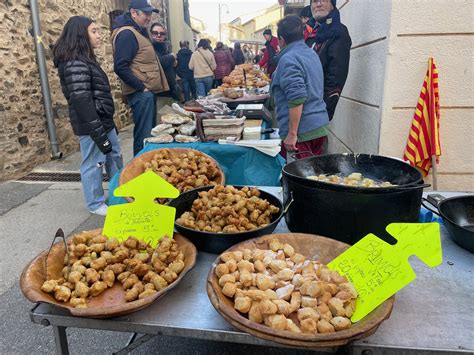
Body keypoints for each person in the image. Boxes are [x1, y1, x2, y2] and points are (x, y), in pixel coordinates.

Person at [52, 16, 123, 216]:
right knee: (94, 162)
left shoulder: (85, 59)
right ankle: (95, 203)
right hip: (90, 124)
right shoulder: (74, 62)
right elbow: (82, 101)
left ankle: (119, 194)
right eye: (94, 31)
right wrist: (98, 132)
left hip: (103, 121)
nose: (99, 35)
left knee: (114, 157)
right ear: (81, 35)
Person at [111, 0, 169, 156]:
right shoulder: (126, 34)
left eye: (150, 14)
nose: (149, 18)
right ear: (134, 13)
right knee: (144, 137)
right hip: (141, 94)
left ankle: (146, 170)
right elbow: (120, 67)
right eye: (146, 14)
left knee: (148, 136)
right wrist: (141, 87)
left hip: (145, 94)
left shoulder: (136, 31)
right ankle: (140, 174)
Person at [271, 15, 329, 159]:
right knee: (314, 177)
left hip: (302, 134)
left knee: (298, 179)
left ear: (281, 40)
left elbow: (297, 97)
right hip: (318, 127)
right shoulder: (311, 53)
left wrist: (292, 134)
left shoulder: (289, 59)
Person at [305, 0, 351, 120]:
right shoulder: (308, 32)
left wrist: (324, 112)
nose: (318, 4)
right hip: (300, 106)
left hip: (316, 110)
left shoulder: (338, 32)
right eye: (315, 1)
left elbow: (336, 76)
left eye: (323, 0)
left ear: (332, 5)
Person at [150, 22, 180, 112]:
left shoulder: (165, 47)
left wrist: (175, 63)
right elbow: (158, 63)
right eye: (155, 33)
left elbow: (170, 67)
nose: (159, 35)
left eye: (162, 33)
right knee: (161, 121)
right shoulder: (149, 47)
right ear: (151, 34)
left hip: (171, 90)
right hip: (159, 92)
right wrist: (171, 56)